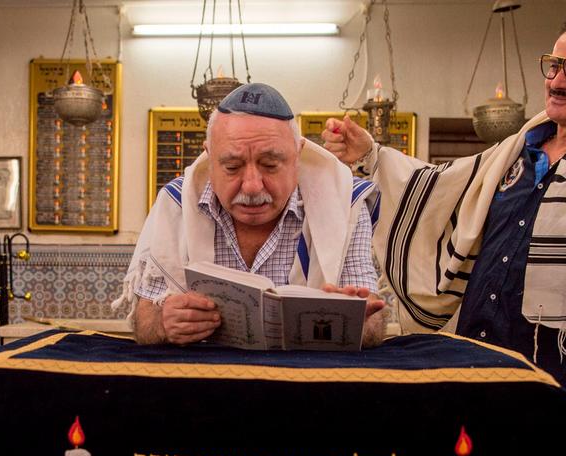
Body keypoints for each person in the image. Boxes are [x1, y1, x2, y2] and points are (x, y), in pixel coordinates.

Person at [321, 8, 566, 414]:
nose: (558, 81)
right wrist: (370, 153)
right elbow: (441, 185)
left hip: (551, 388)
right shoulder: (517, 150)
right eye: (554, 65)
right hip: (471, 369)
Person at [115, 83, 385, 347]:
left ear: (297, 155)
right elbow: (145, 322)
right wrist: (165, 321)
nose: (252, 186)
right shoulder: (177, 205)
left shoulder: (343, 204)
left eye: (270, 165)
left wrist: (354, 321)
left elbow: (372, 321)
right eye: (232, 167)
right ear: (210, 158)